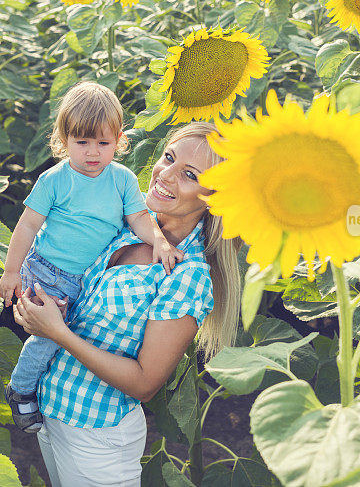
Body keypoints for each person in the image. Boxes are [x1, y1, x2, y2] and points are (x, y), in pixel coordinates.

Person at [12, 122, 242, 486]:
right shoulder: (123, 222)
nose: (164, 175)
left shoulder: (188, 276)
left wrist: (56, 331)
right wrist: (36, 310)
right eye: (168, 158)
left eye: (189, 175)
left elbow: (144, 383)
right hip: (50, 409)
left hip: (97, 435)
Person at [0, 81, 184, 434]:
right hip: (48, 271)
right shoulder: (55, 179)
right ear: (64, 140)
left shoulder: (123, 179)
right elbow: (26, 226)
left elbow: (139, 218)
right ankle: (21, 389)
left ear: (119, 140)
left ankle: (53, 390)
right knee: (51, 335)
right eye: (81, 142)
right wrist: (11, 273)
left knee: (77, 336)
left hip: (90, 277)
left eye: (103, 143)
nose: (93, 152)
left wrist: (159, 241)